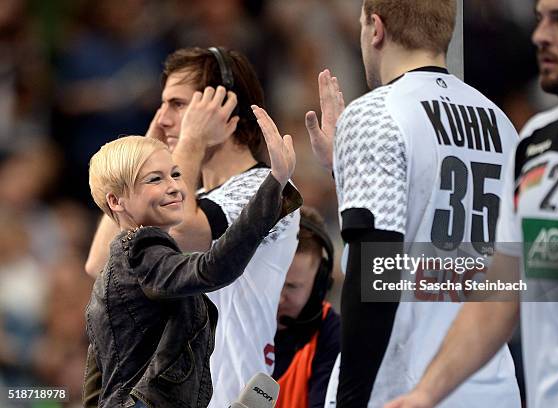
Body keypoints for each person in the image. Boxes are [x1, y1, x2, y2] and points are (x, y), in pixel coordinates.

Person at [385, 0, 558, 407]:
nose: (541, 35)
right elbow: (500, 293)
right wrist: (425, 394)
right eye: (540, 18)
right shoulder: (534, 143)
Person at [302, 0, 523, 406]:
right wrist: (346, 169)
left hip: (404, 387)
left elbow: (376, 267)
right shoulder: (502, 124)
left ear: (376, 28)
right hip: (492, 386)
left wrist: (351, 399)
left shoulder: (376, 113)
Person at [84, 47, 301, 406]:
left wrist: (189, 142)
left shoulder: (265, 187)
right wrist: (138, 167)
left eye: (178, 104)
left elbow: (184, 231)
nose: (163, 118)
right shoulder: (184, 196)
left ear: (222, 108)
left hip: (232, 392)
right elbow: (103, 265)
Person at [273, 206, 341, 408]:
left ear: (319, 285)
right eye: (272, 283)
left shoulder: (333, 337)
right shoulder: (223, 320)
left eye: (291, 286)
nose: (278, 299)